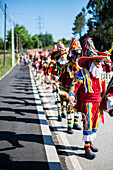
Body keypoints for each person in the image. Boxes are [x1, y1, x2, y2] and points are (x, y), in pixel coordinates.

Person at [69, 37, 106, 159]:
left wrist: (106, 101)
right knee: (87, 124)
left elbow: (104, 89)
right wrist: (72, 95)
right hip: (87, 103)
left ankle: (90, 143)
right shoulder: (82, 72)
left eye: (100, 62)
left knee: (95, 124)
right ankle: (87, 148)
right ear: (90, 62)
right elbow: (75, 85)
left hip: (98, 103)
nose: (99, 64)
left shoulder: (101, 73)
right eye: (97, 62)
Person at [59, 38, 82, 134]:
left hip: (79, 90)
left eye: (78, 54)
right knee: (70, 107)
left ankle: (75, 123)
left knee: (78, 107)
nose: (77, 56)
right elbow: (63, 79)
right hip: (69, 90)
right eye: (76, 54)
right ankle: (69, 126)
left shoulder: (82, 67)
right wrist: (63, 91)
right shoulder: (66, 66)